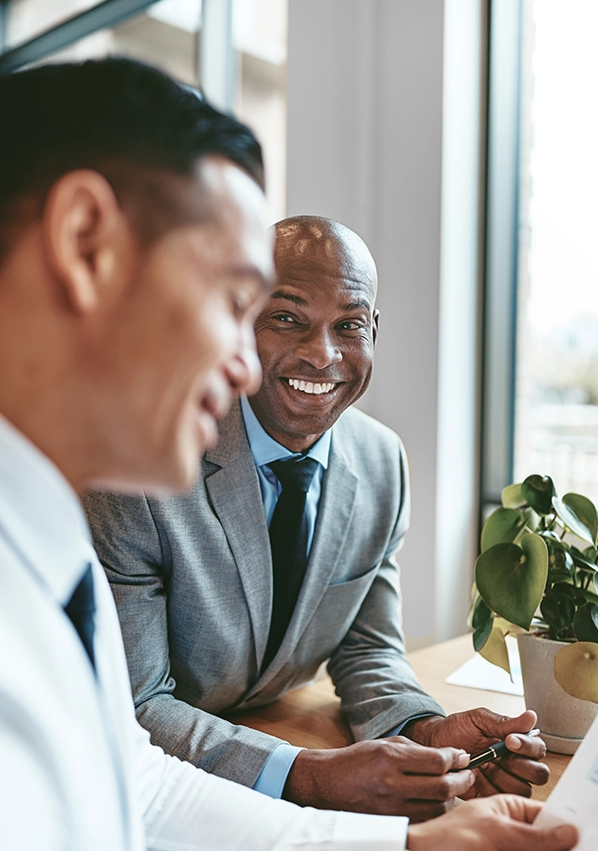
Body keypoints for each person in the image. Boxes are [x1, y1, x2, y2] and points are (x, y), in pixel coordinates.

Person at [0, 56, 577, 851]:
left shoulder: (45, 525)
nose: (242, 364)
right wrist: (313, 779)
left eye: (350, 325)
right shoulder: (95, 502)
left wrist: (411, 843)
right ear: (84, 243)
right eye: (231, 299)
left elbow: (136, 778)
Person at [86, 216, 546, 820]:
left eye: (349, 325)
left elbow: (367, 648)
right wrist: (307, 776)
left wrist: (425, 732)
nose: (321, 354)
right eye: (287, 318)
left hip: (269, 736)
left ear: (373, 331)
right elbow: (135, 705)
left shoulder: (383, 461)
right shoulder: (142, 466)